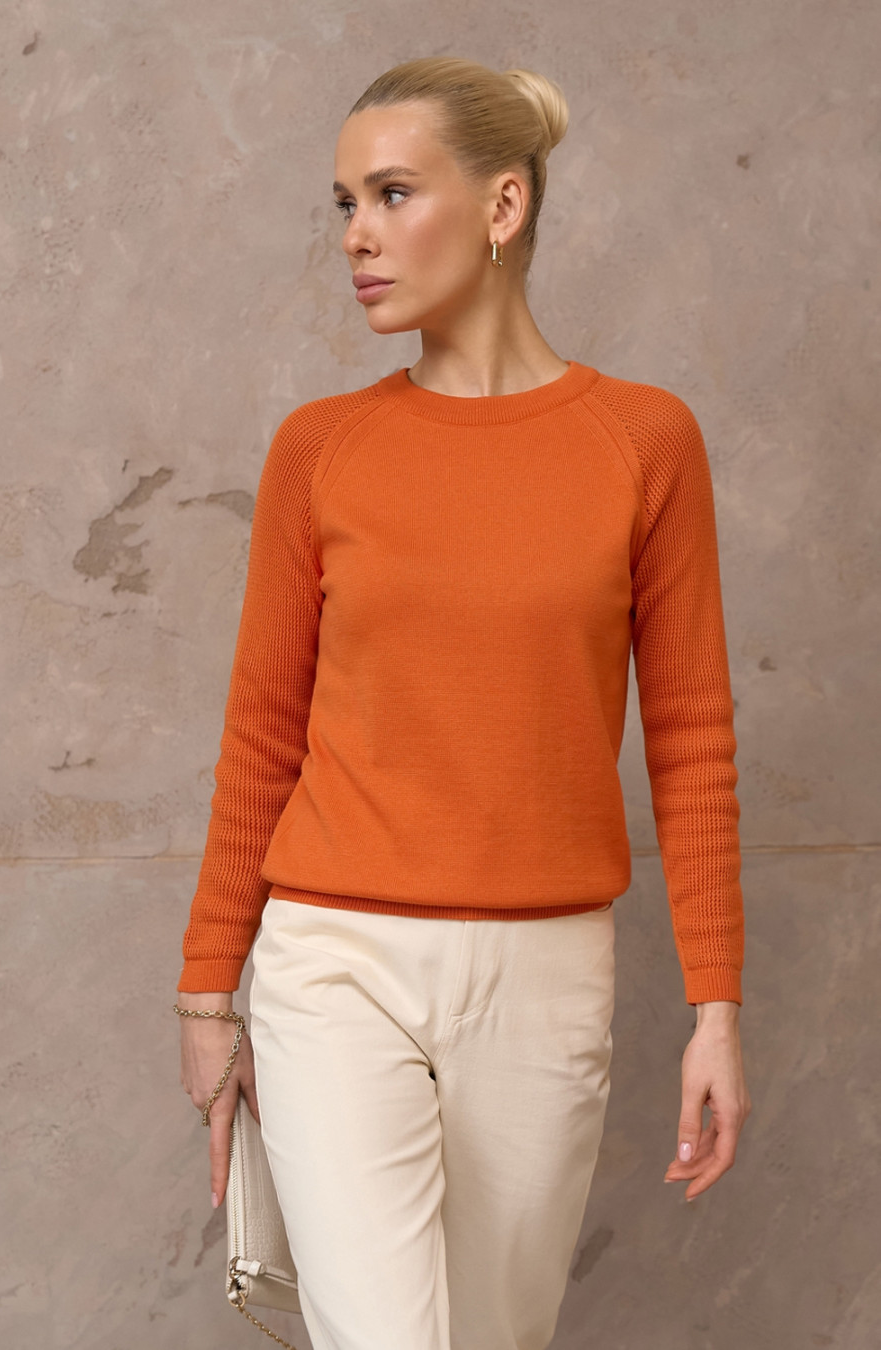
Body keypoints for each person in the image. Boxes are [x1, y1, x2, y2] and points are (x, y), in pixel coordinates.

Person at [176, 55, 751, 1350]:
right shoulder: (320, 451)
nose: (356, 235)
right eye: (344, 203)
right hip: (333, 962)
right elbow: (261, 735)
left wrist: (716, 1007)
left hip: (547, 976)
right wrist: (208, 992)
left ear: (502, 206)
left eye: (391, 194)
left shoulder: (645, 441)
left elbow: (693, 739)